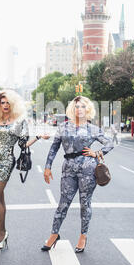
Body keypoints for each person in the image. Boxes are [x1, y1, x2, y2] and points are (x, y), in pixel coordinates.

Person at [0, 90, 50, 250]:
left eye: (7, 102)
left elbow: (23, 145)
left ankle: (1, 233)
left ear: (13, 104)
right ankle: (2, 232)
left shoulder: (20, 122)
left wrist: (38, 137)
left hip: (6, 161)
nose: (5, 105)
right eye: (2, 102)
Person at [42, 96, 114, 254]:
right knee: (63, 203)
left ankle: (83, 236)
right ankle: (54, 234)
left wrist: (98, 153)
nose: (79, 109)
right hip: (68, 168)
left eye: (82, 106)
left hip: (88, 169)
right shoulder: (63, 127)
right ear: (72, 109)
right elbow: (54, 148)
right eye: (76, 106)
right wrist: (47, 167)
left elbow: (110, 142)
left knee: (84, 203)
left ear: (87, 109)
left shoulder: (93, 129)